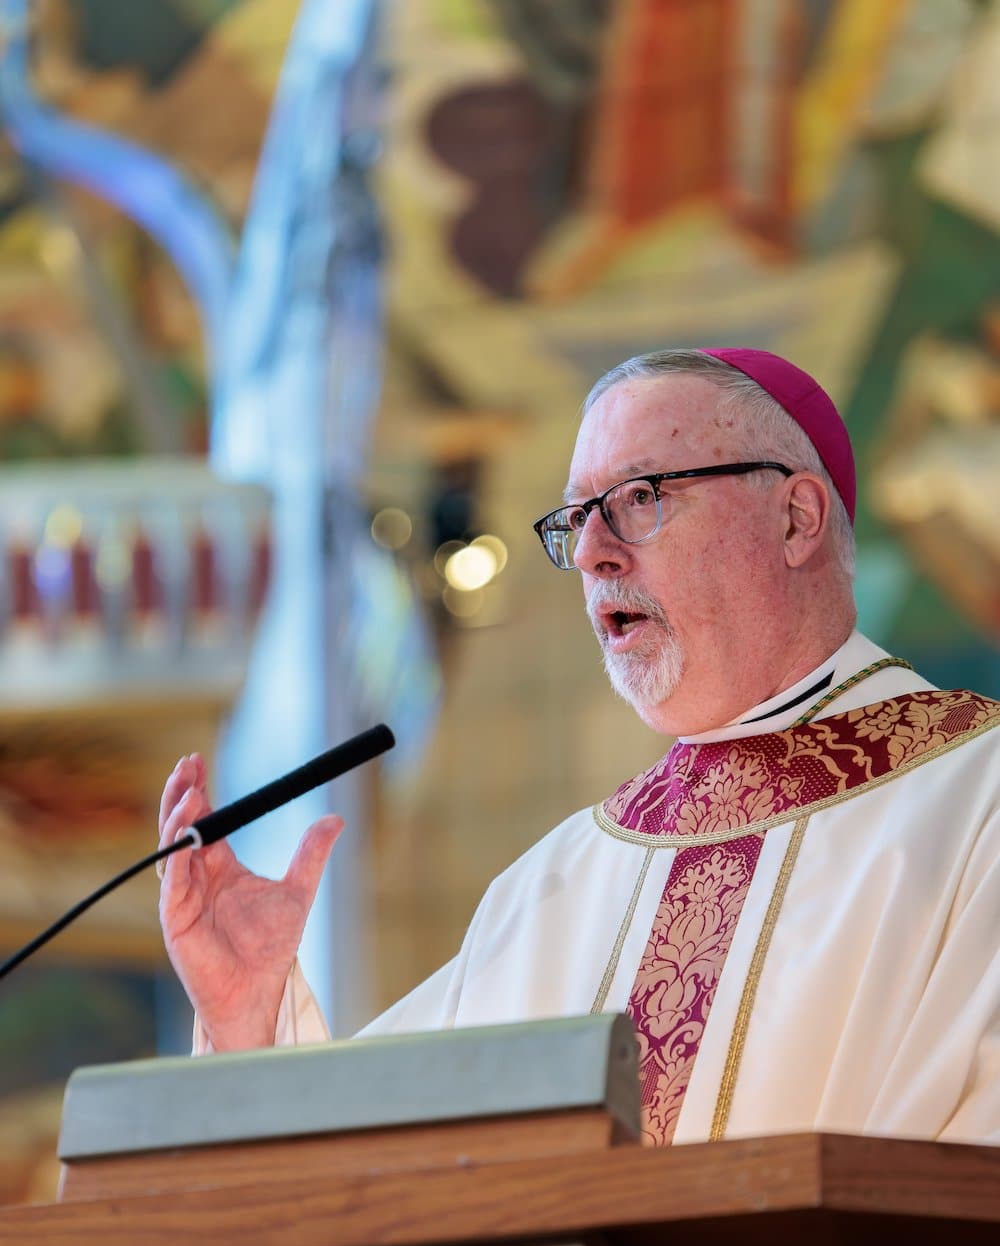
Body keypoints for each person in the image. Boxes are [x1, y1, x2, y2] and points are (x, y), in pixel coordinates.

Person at [158, 348, 1000, 1145]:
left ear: (795, 517)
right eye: (576, 516)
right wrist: (251, 1019)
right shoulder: (560, 880)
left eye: (641, 497)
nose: (593, 553)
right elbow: (378, 1169)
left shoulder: (975, 798)